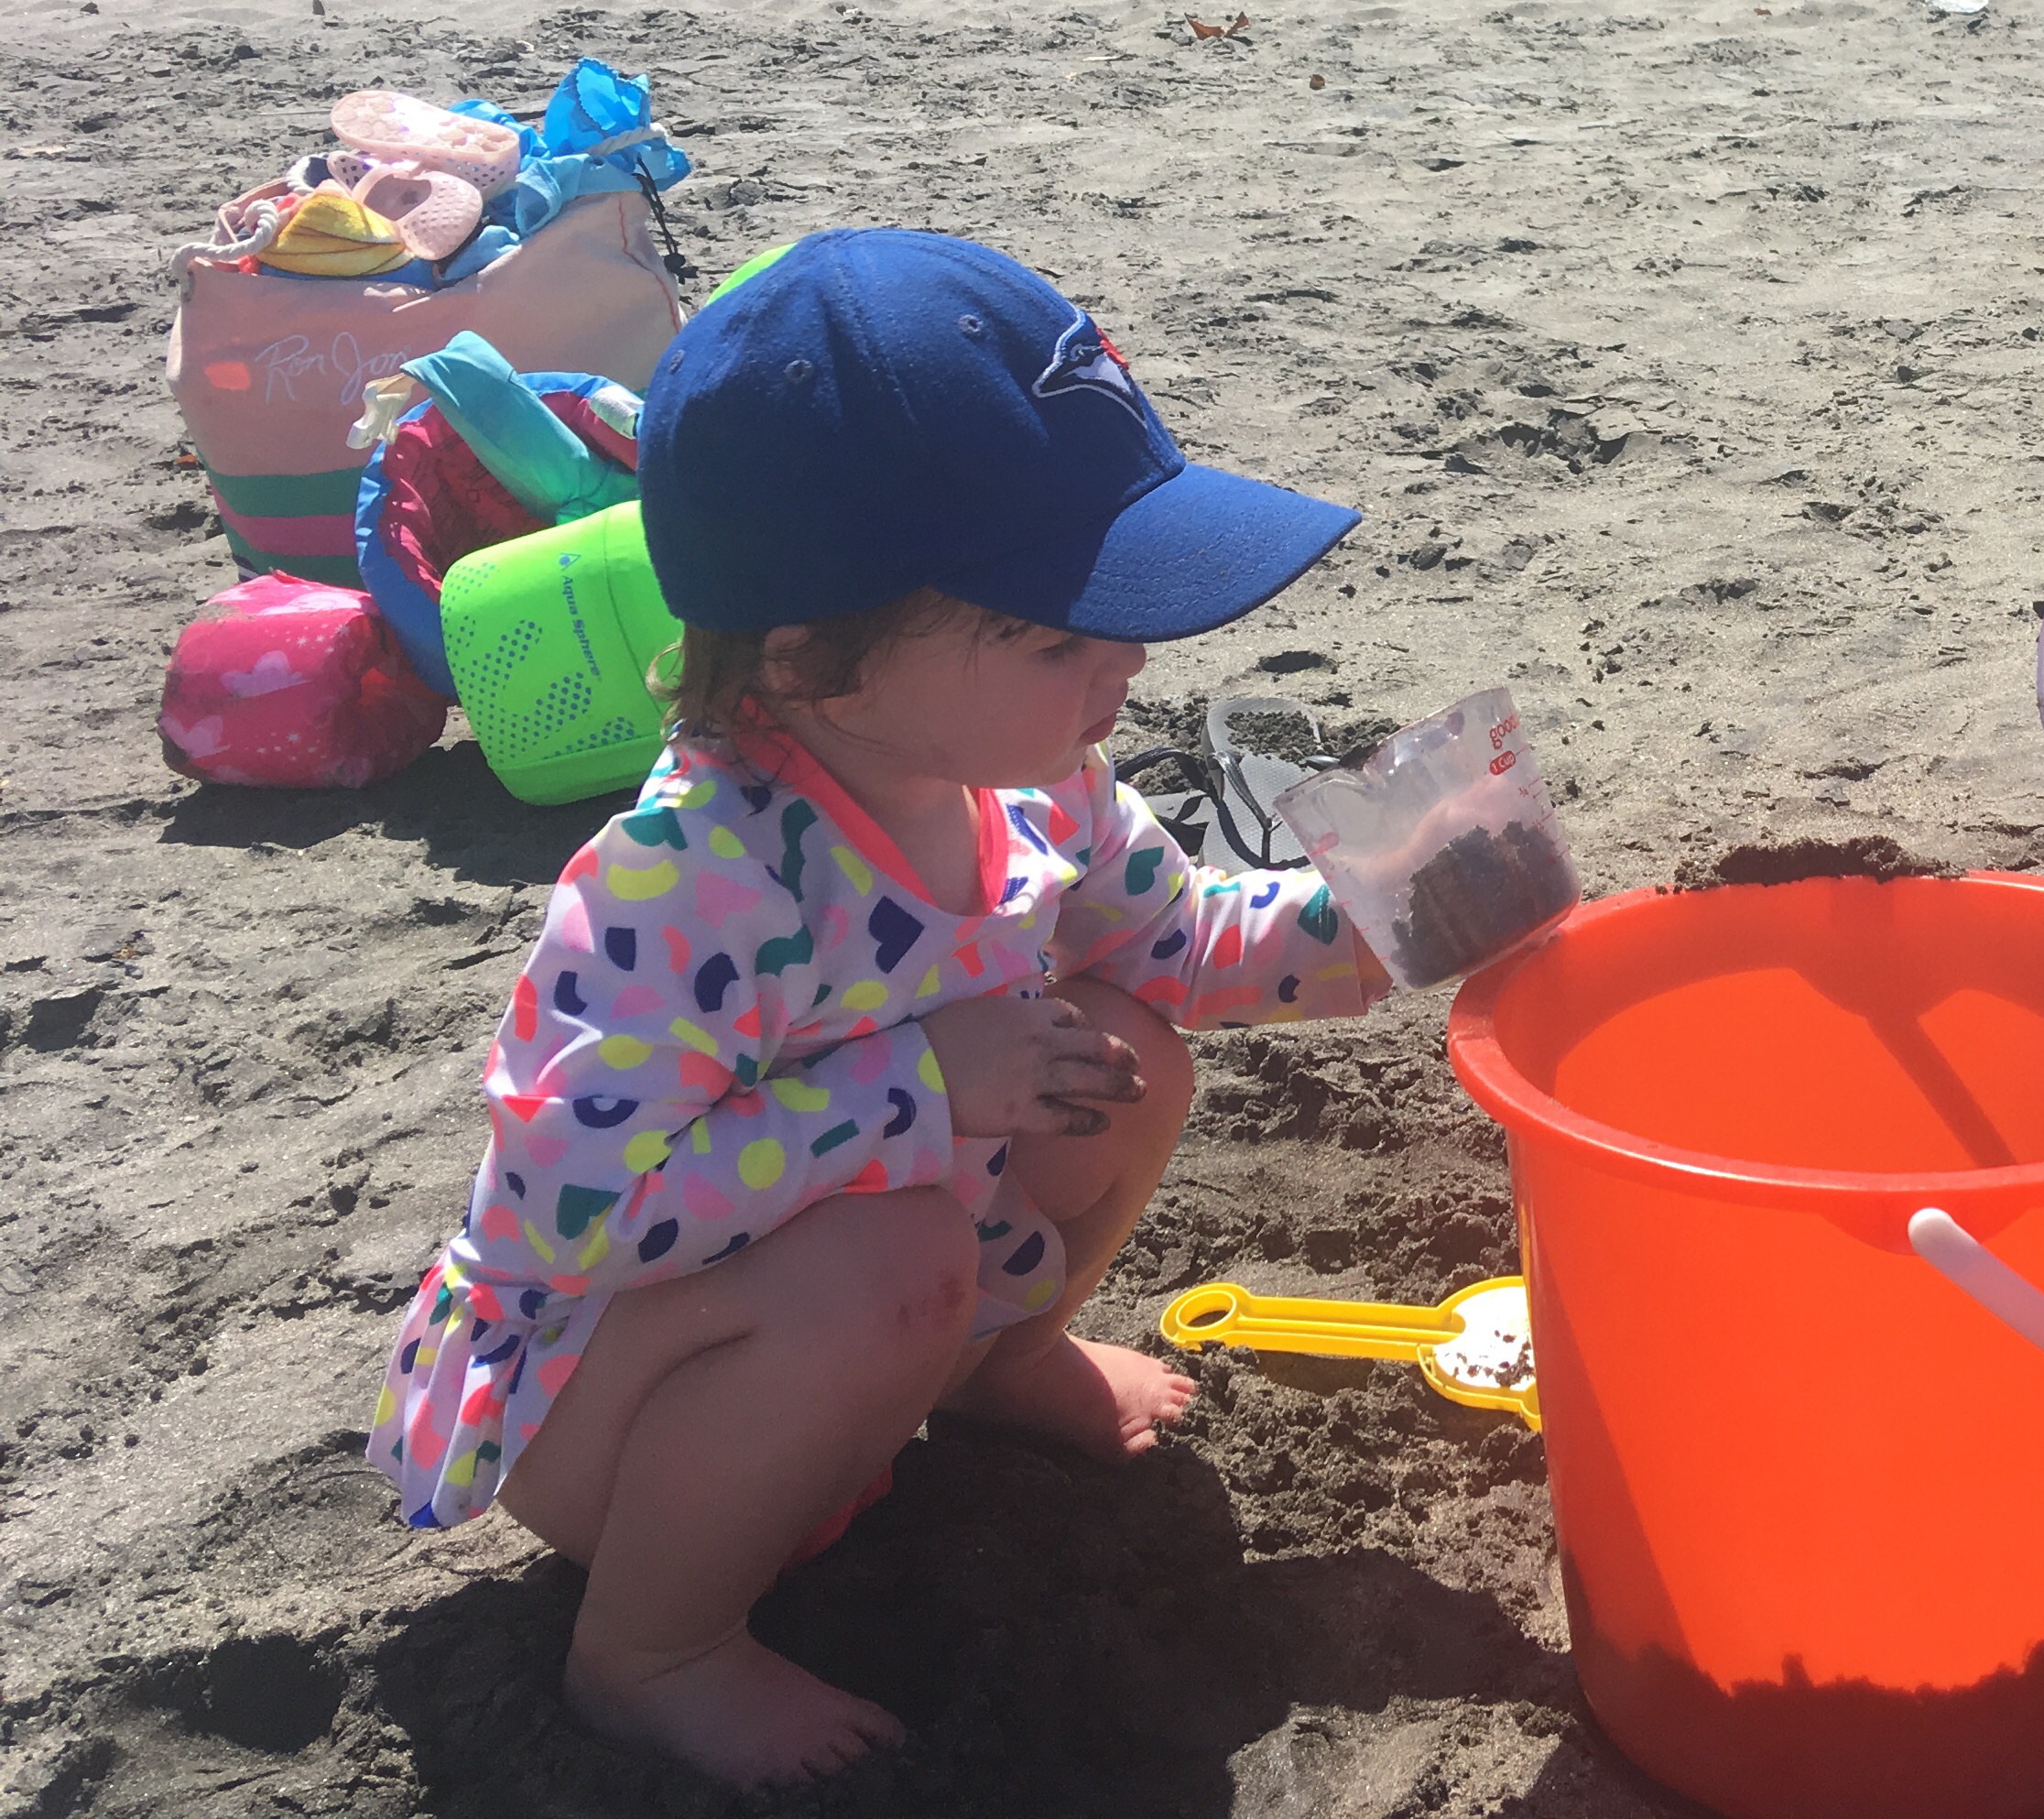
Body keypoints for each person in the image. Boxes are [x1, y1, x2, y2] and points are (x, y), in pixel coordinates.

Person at [367, 230, 1392, 1792]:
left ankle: (992, 1366)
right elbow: (576, 1220)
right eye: (1054, 631)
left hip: (879, 1308)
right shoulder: (689, 883)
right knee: (893, 1250)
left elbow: (1177, 944)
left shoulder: (1035, 781)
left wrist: (1385, 916)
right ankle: (652, 1651)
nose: (1126, 659)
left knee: (1129, 1055)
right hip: (621, 1411)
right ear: (815, 664)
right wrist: (917, 1084)